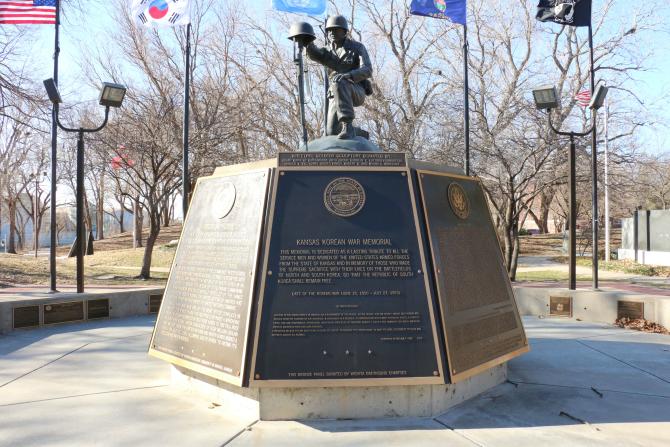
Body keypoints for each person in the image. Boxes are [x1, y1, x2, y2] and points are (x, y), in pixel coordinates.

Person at [306, 15, 373, 139]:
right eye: (329, 30)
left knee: (339, 82)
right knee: (331, 131)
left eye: (335, 29)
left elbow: (368, 69)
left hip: (356, 90)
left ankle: (347, 125)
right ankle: (356, 132)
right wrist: (307, 42)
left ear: (344, 31)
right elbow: (314, 54)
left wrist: (349, 75)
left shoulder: (357, 47)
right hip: (335, 93)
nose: (331, 32)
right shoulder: (327, 51)